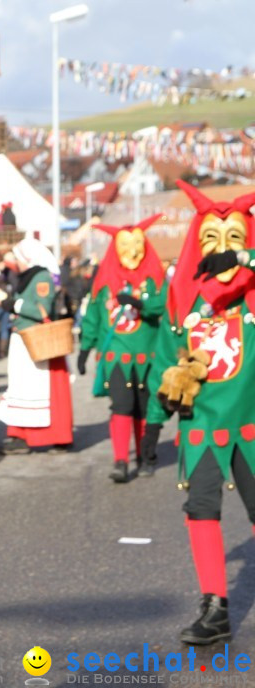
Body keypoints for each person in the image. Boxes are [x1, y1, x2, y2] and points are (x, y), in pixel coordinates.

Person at [142, 182, 255, 645]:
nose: (223, 249)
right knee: (201, 509)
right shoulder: (184, 300)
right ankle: (215, 608)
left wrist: (245, 263)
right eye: (213, 239)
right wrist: (152, 422)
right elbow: (165, 362)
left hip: (251, 423)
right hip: (201, 427)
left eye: (235, 238)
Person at [77, 216, 167, 483]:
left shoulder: (154, 278)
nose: (132, 251)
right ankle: (120, 460)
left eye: (137, 244)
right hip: (116, 356)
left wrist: (141, 305)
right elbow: (93, 314)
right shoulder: (105, 279)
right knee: (121, 406)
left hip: (147, 356)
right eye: (125, 245)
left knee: (143, 407)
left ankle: (143, 454)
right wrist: (84, 348)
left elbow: (165, 306)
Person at [0, 238, 74, 454]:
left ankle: (35, 436)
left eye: (18, 258)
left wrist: (12, 303)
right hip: (24, 338)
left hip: (36, 341)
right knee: (23, 388)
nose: (16, 263)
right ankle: (20, 435)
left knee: (35, 389)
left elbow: (42, 309)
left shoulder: (41, 277)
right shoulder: (28, 276)